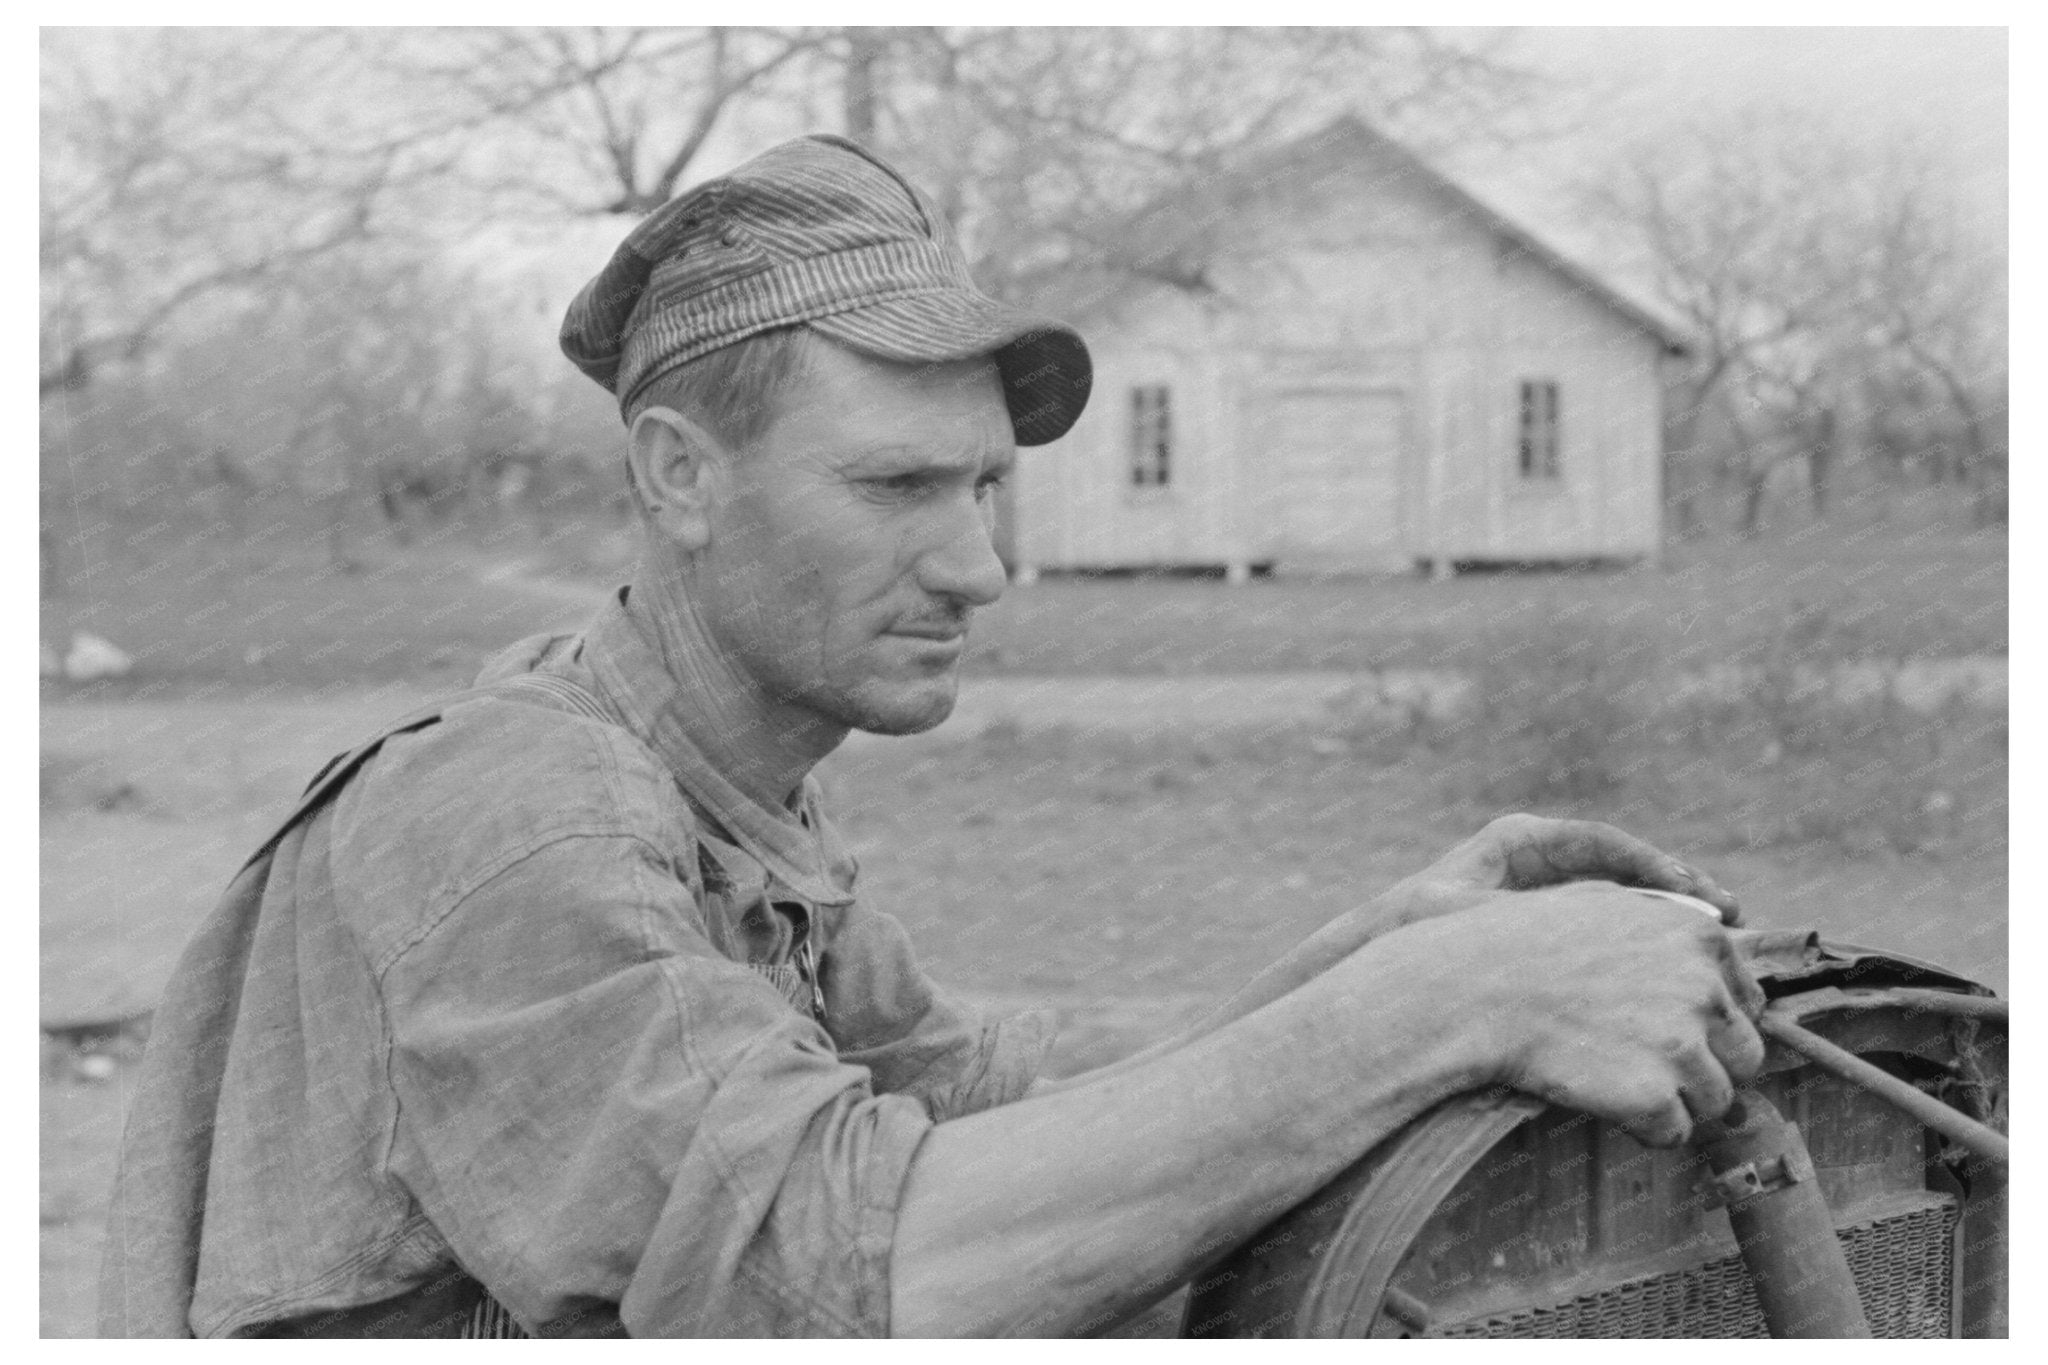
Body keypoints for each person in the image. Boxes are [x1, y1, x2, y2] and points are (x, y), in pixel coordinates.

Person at [101, 134, 1766, 1339]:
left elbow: (939, 1087)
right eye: (895, 486)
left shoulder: (738, 790)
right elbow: (852, 1276)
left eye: (983, 486)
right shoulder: (522, 809)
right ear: (678, 476)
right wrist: (1435, 1006)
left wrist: (1363, 954)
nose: (978, 564)